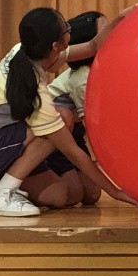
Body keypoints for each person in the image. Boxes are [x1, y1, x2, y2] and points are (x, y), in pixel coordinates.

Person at [0, 6, 138, 217]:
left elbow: (92, 46)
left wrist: (122, 16)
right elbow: (72, 151)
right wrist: (115, 192)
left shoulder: (27, 52)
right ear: (56, 45)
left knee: (59, 196)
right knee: (62, 118)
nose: (70, 30)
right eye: (67, 29)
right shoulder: (36, 92)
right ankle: (1, 195)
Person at [43, 11, 106, 206]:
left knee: (92, 195)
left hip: (74, 134)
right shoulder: (83, 78)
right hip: (53, 137)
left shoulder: (100, 70)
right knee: (72, 195)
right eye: (106, 30)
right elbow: (92, 123)